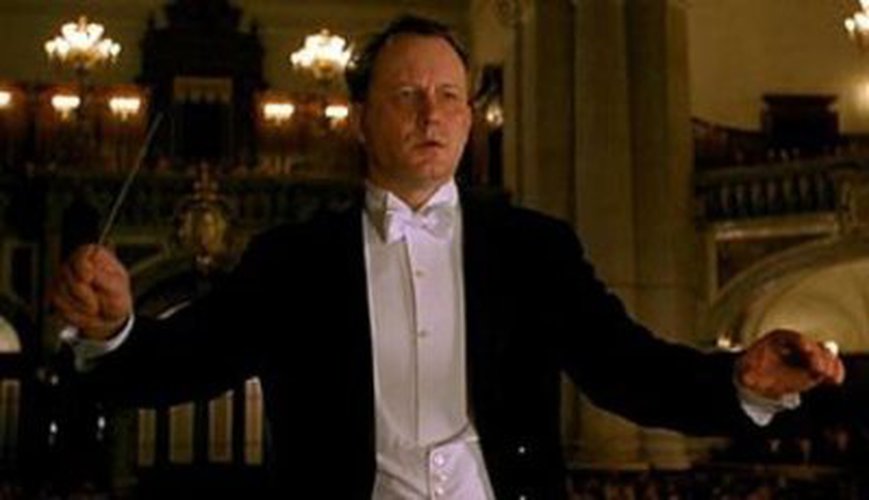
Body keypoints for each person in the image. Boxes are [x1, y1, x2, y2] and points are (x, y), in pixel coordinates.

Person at [51, 15, 849, 500]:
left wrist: (737, 381)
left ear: (469, 119)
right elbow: (187, 361)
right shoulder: (295, 259)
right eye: (405, 96)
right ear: (360, 120)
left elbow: (623, 367)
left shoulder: (534, 248)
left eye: (448, 97)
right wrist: (115, 328)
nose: (430, 115)